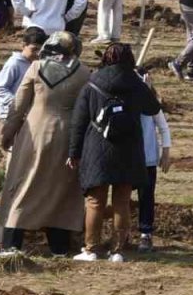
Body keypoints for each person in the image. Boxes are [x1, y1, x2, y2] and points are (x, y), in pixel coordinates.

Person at [0, 32, 89, 257]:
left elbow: (19, 104)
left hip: (35, 132)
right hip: (68, 135)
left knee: (24, 183)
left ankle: (12, 243)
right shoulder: (84, 72)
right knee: (61, 189)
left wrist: (7, 134)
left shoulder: (36, 67)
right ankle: (59, 246)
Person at [69, 43, 162, 262]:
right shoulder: (136, 83)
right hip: (128, 148)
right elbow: (153, 108)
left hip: (96, 147)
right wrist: (147, 87)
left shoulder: (92, 82)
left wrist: (74, 151)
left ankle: (90, 249)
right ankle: (118, 251)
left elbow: (79, 120)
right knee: (122, 201)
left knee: (94, 202)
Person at [136, 75, 172, 253]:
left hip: (149, 158)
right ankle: (122, 231)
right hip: (128, 159)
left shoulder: (151, 104)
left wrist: (166, 151)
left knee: (146, 196)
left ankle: (145, 233)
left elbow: (163, 127)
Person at [0, 27, 47, 121]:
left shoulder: (38, 64)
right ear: (23, 45)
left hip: (27, 114)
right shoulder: (14, 64)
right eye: (34, 49)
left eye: (40, 50)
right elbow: (0, 89)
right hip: (11, 114)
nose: (37, 53)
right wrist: (18, 104)